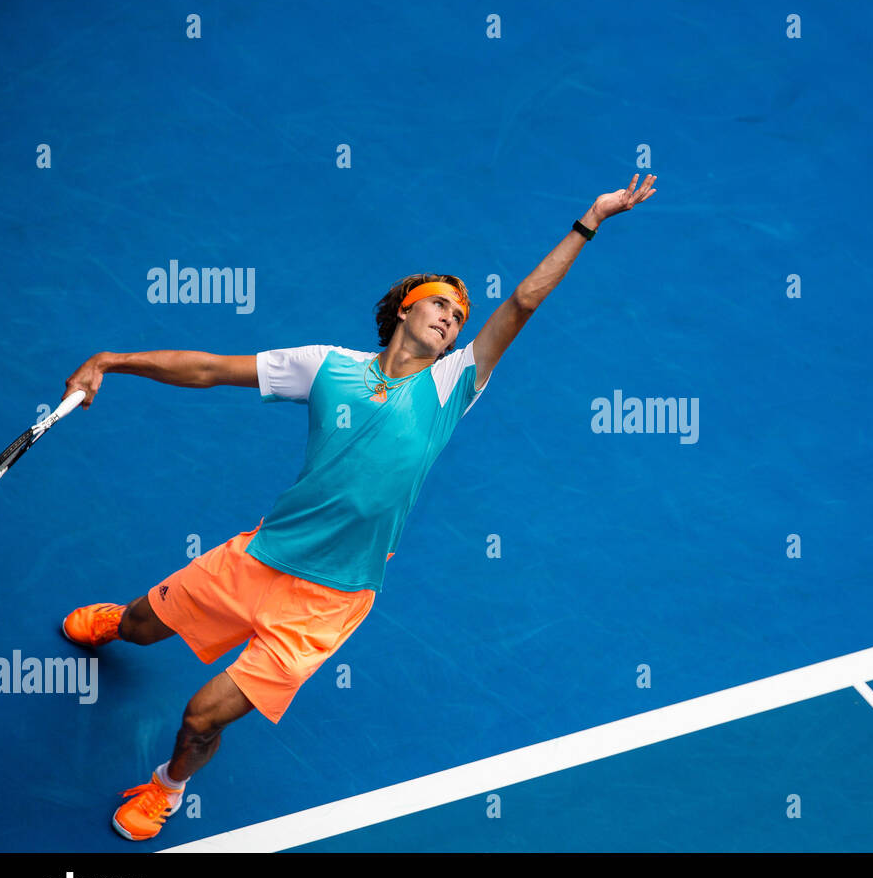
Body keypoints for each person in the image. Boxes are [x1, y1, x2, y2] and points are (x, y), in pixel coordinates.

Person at [59, 174, 657, 840]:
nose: (452, 319)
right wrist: (111, 360)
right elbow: (208, 369)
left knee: (203, 716)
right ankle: (121, 624)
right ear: (404, 309)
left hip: (328, 602)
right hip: (259, 557)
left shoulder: (456, 383)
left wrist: (590, 220)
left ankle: (167, 790)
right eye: (440, 306)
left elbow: (522, 302)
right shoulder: (326, 366)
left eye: (459, 317)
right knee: (141, 625)